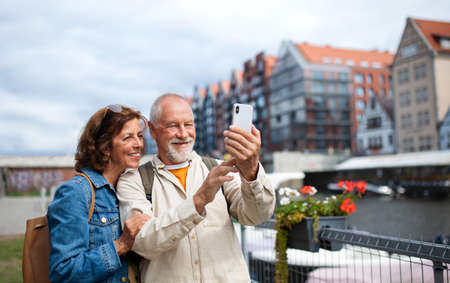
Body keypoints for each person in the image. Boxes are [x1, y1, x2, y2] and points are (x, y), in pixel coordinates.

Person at [117, 94, 275, 283]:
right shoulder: (133, 180)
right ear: (152, 130)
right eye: (173, 126)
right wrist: (199, 200)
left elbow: (258, 215)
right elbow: (143, 243)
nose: (183, 134)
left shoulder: (219, 168)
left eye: (189, 124)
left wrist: (251, 173)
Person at [47, 104, 151, 283]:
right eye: (128, 138)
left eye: (140, 136)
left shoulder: (129, 188)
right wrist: (121, 245)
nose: (138, 144)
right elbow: (63, 272)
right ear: (105, 147)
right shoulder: (76, 192)